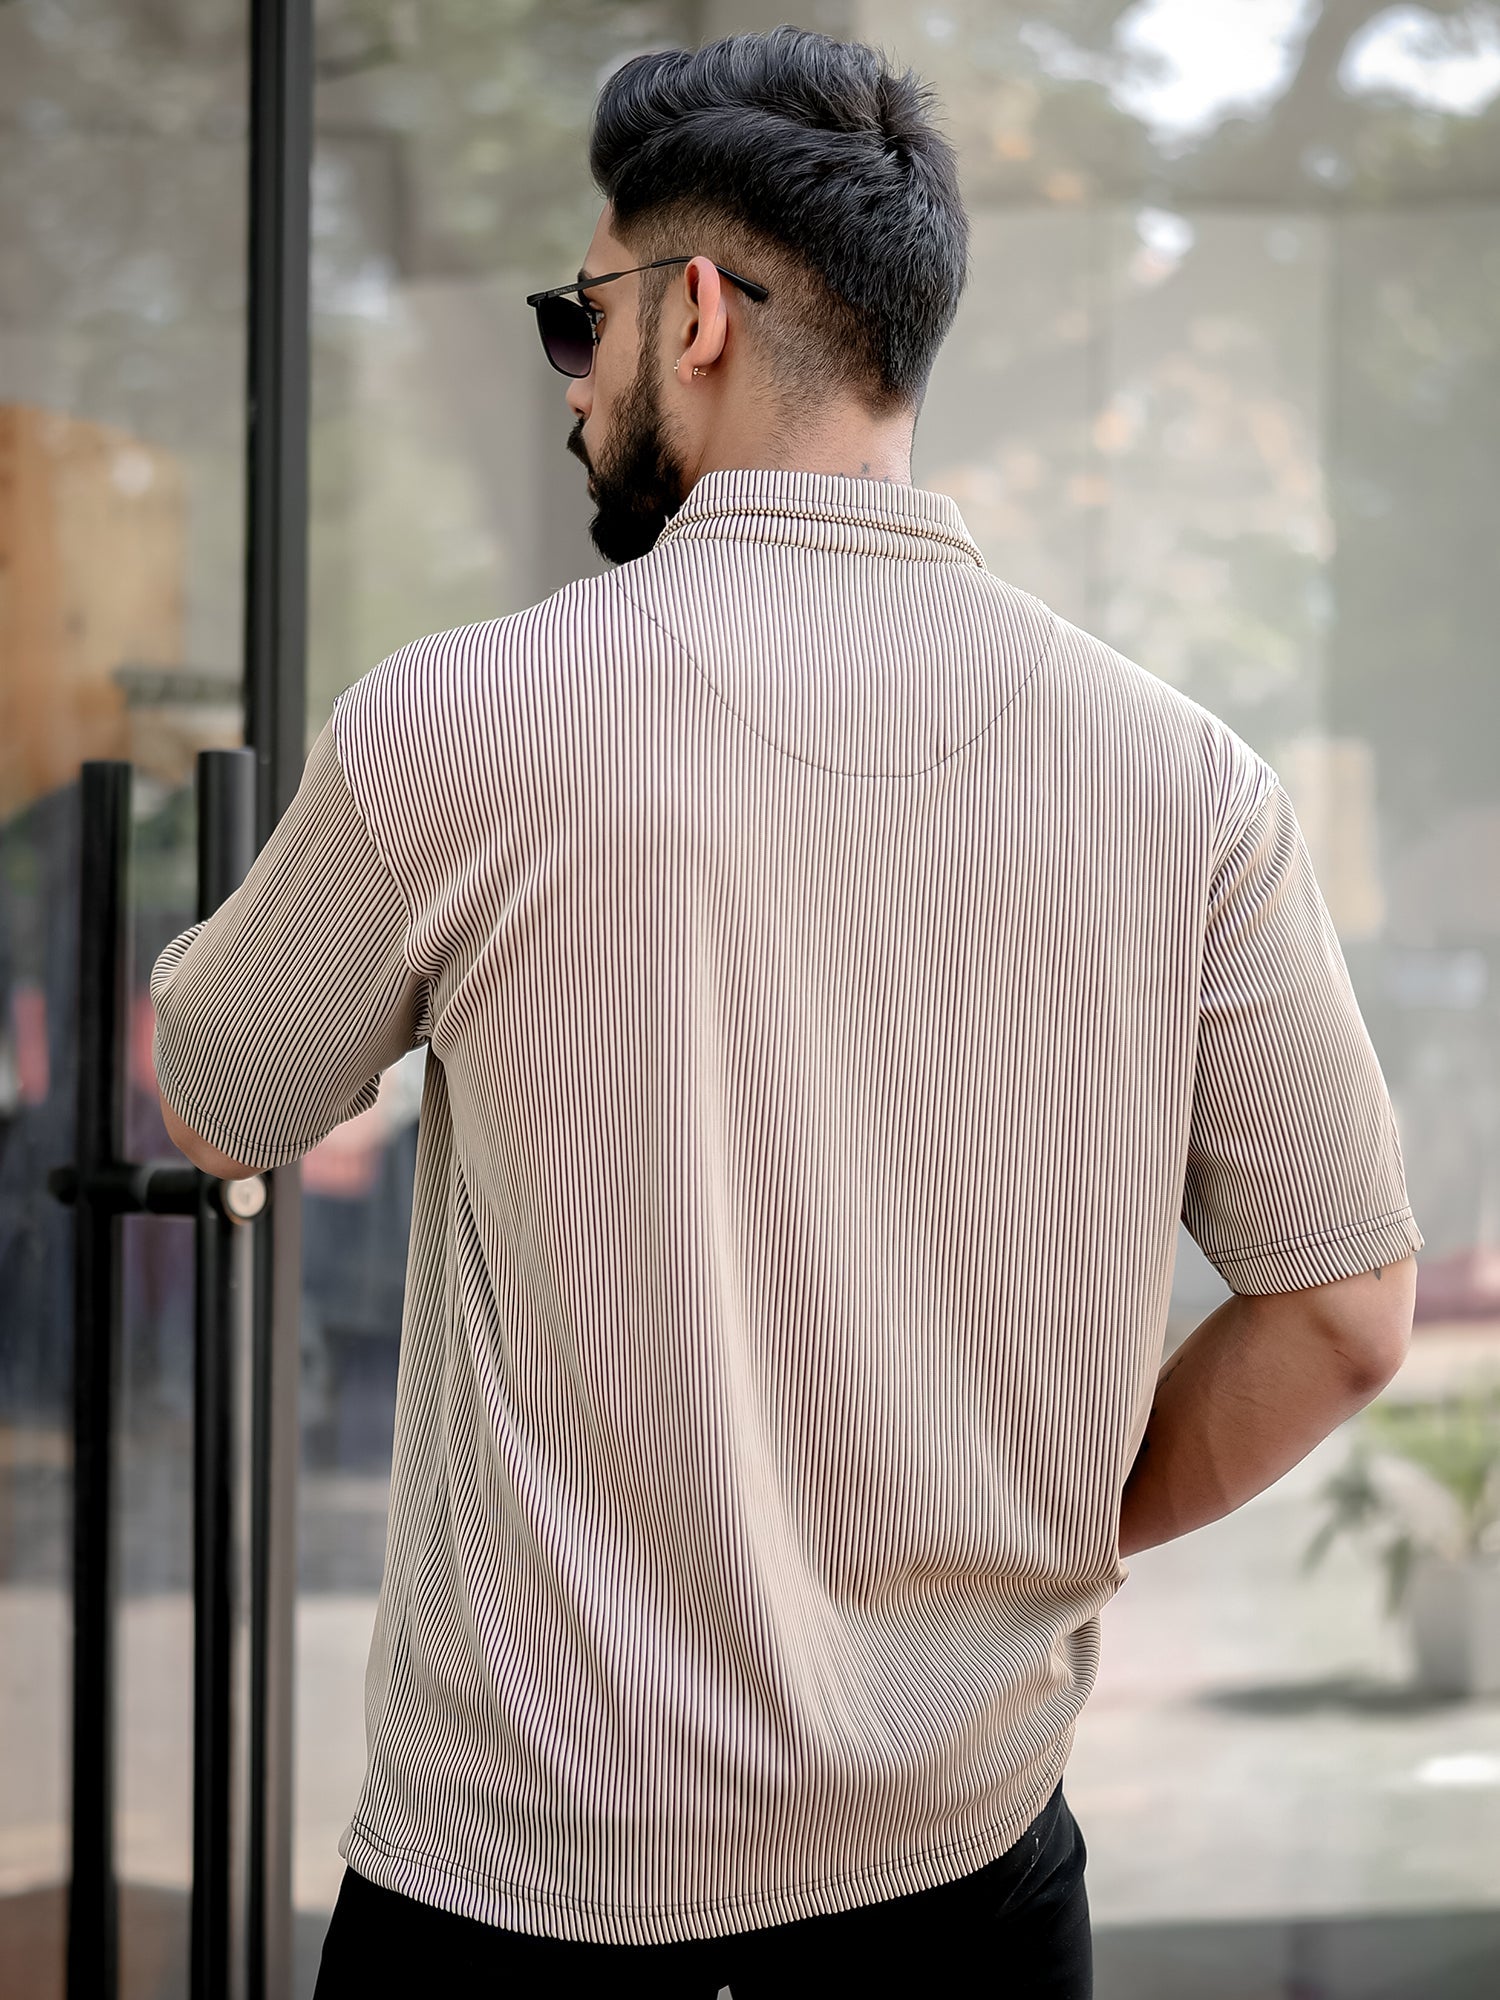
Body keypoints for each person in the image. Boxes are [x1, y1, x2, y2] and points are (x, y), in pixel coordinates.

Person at [152, 27, 1423, 2000]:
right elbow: (1346, 1316)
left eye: (581, 328)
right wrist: (1019, 1564)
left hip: (529, 1904)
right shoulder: (1187, 780)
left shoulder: (465, 722)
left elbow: (224, 1087)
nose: (575, 386)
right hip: (975, 1878)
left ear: (696, 313)